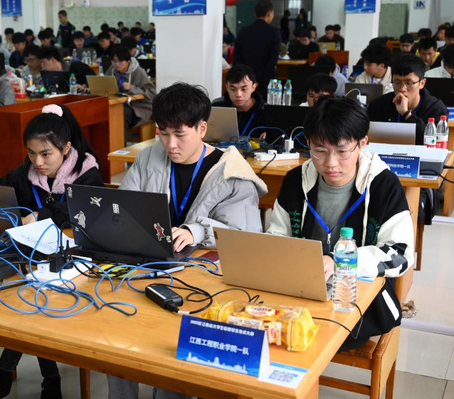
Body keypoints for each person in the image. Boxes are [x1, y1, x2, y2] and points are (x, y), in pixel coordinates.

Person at [108, 82, 267, 399]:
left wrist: (196, 231)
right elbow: (124, 207)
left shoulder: (232, 173)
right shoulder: (149, 157)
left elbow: (244, 235)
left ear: (202, 128)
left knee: (177, 349)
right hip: (150, 265)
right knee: (115, 326)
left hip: (204, 277)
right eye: (163, 133)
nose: (170, 144)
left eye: (180, 134)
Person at [0, 104, 103, 399]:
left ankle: (6, 376)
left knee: (35, 297)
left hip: (75, 265)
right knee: (27, 295)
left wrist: (40, 214)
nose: (37, 162)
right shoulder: (26, 173)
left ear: (66, 148)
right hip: (35, 260)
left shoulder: (87, 173)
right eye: (31, 153)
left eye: (46, 154)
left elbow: (79, 211)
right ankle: (46, 379)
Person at [267, 96, 412, 350]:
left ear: (362, 143)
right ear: (308, 142)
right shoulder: (295, 180)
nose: (330, 163)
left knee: (303, 341)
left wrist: (341, 261)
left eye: (342, 151)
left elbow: (400, 255)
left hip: (360, 300)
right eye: (320, 151)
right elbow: (276, 236)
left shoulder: (383, 185)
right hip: (301, 289)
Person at [367, 55, 448, 146]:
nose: (402, 89)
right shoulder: (378, 105)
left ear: (422, 83)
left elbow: (431, 142)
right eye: (397, 82)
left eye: (409, 83)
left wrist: (406, 114)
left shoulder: (437, 109)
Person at [105, 45, 155, 141]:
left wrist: (132, 88)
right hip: (117, 103)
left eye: (120, 61)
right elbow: (103, 82)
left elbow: (152, 93)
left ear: (128, 61)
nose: (117, 64)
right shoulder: (112, 70)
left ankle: (120, 144)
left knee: (121, 114)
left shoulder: (138, 72)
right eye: (114, 61)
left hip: (138, 108)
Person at [233, 0, 281, 98]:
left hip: (245, 82)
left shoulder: (242, 32)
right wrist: (258, 77)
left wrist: (247, 78)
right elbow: (273, 60)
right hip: (266, 81)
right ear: (269, 14)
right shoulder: (274, 32)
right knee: (266, 106)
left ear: (255, 14)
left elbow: (237, 59)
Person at [212, 64, 265, 137]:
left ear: (254, 87)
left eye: (244, 89)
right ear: (227, 87)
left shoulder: (265, 110)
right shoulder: (217, 106)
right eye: (233, 89)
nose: (238, 94)